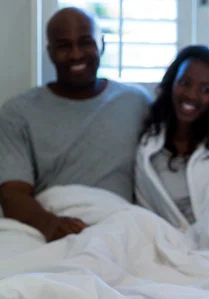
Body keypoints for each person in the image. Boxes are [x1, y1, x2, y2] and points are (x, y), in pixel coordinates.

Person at [0, 7, 151, 242]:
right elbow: (12, 194)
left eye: (85, 42)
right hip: (48, 229)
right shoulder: (16, 113)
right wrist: (52, 225)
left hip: (120, 228)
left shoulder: (137, 102)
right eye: (64, 46)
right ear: (50, 53)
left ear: (101, 45)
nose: (76, 54)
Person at [135, 45, 209, 253]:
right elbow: (144, 211)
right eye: (185, 83)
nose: (191, 95)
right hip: (165, 246)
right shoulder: (149, 146)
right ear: (173, 82)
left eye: (205, 89)